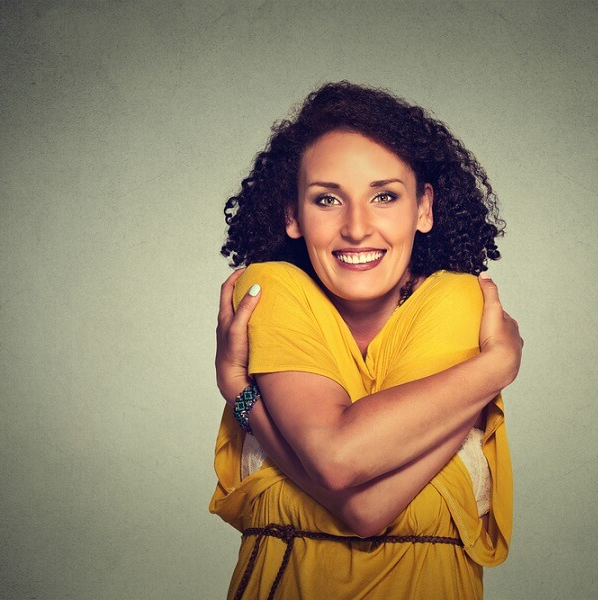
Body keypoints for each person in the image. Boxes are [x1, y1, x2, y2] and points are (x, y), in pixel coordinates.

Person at [210, 82, 523, 599]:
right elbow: (343, 471)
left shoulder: (458, 300)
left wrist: (244, 398)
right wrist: (494, 369)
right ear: (293, 214)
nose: (357, 227)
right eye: (328, 199)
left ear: (423, 208)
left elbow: (362, 505)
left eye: (384, 196)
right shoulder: (272, 291)